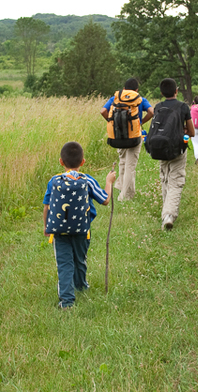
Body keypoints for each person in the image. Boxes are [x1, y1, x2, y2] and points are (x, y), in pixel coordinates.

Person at [43, 141, 116, 309]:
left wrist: (47, 227)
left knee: (64, 264)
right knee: (80, 259)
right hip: (83, 231)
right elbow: (105, 200)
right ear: (83, 162)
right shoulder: (87, 180)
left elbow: (46, 206)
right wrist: (109, 182)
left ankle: (67, 301)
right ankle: (81, 285)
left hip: (59, 231)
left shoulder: (53, 181)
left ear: (61, 162)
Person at [148, 78, 194, 230]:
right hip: (177, 149)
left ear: (161, 92)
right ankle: (169, 215)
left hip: (160, 148)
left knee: (165, 178)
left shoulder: (158, 106)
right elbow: (192, 131)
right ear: (177, 91)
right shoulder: (183, 107)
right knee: (176, 180)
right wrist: (183, 131)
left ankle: (165, 211)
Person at [100, 78, 154, 201]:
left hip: (119, 135)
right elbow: (151, 111)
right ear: (136, 90)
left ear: (124, 89)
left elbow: (103, 111)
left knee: (123, 162)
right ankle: (123, 196)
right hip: (134, 136)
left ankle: (128, 191)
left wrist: (111, 123)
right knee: (130, 166)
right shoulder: (140, 99)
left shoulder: (116, 98)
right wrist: (140, 123)